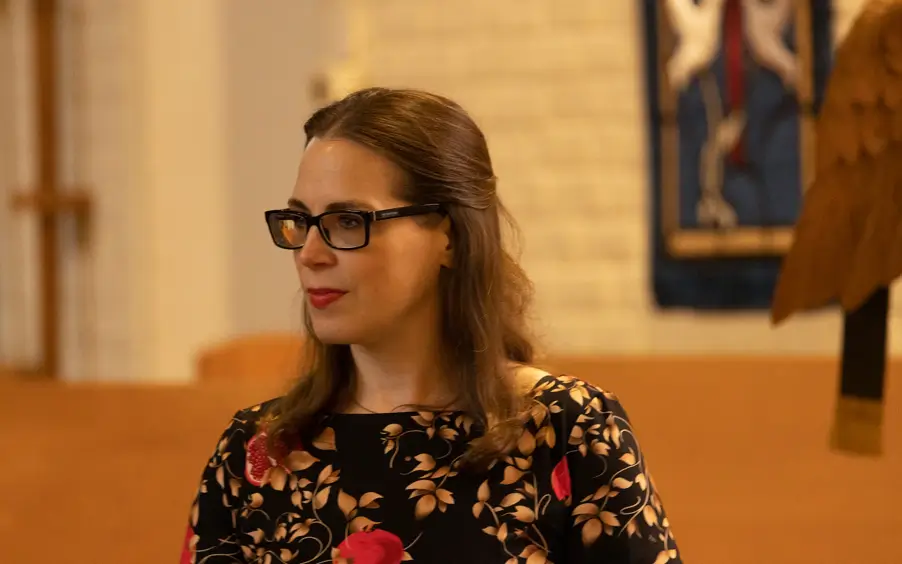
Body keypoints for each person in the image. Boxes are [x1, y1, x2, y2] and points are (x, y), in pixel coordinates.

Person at [180, 87, 681, 564]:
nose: (310, 254)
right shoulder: (256, 452)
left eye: (348, 221)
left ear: (450, 236)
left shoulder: (566, 429)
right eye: (301, 221)